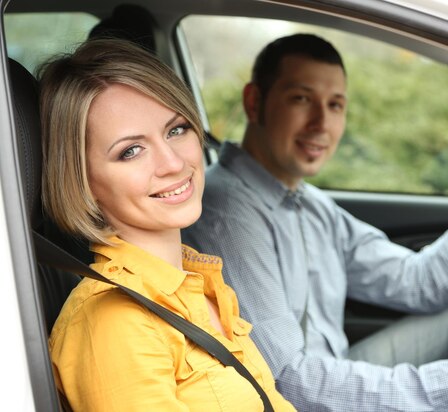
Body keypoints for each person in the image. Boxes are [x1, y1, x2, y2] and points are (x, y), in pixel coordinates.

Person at [182, 33, 448, 411]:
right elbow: (287, 381)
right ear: (254, 102)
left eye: (336, 105)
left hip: (333, 371)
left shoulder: (312, 205)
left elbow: (421, 280)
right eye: (301, 99)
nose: (321, 123)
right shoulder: (226, 212)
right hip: (296, 399)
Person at [39, 38, 295, 412]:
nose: (173, 163)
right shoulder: (115, 323)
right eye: (131, 150)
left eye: (176, 129)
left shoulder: (198, 283)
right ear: (83, 182)